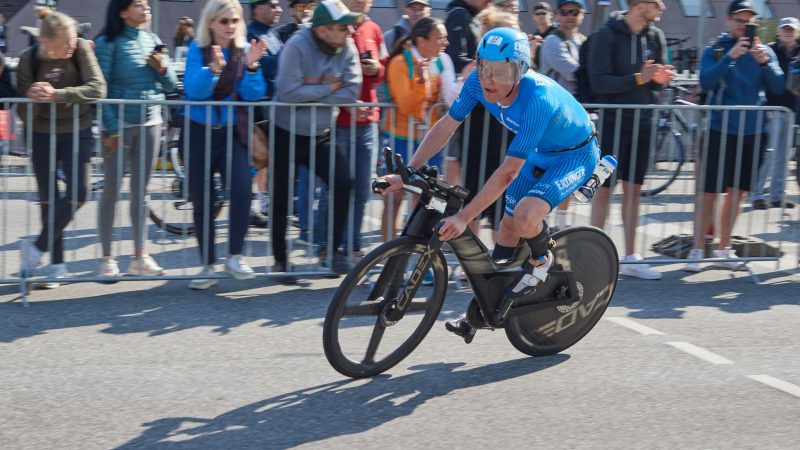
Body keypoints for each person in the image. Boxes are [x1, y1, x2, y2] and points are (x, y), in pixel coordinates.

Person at [379, 27, 601, 342]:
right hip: (541, 153)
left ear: (520, 71)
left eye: (500, 72)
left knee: (525, 216)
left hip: (574, 156)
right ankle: (492, 301)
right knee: (507, 226)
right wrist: (405, 174)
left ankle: (541, 259)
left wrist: (463, 217)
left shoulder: (537, 98)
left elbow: (509, 172)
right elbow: (446, 127)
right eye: (484, 67)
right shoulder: (476, 83)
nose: (489, 80)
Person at [685, 0, 784, 272]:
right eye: (739, 21)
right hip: (719, 128)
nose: (744, 26)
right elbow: (706, 81)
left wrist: (765, 63)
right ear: (728, 21)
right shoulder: (715, 49)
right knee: (708, 193)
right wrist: (731, 57)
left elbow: (778, 85)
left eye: (748, 21)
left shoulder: (763, 51)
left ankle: (723, 249)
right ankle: (696, 249)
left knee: (737, 193)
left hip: (753, 130)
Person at [271, 0, 361, 281]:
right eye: (342, 26)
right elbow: (287, 93)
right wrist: (328, 88)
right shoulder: (297, 45)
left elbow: (352, 90)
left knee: (344, 183)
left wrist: (313, 93)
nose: (349, 30)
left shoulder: (347, 45)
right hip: (286, 131)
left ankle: (331, 253)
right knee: (282, 198)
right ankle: (280, 261)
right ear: (323, 31)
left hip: (322, 133)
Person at [16, 12, 107, 287]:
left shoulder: (79, 48)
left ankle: (36, 249)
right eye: (65, 42)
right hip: (41, 134)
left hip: (76, 129)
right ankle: (57, 265)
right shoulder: (28, 59)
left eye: (73, 40)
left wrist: (59, 94)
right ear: (46, 41)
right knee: (49, 200)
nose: (72, 45)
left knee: (79, 194)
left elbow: (98, 88)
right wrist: (34, 99)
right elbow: (22, 113)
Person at [181, 0, 267, 289]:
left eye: (234, 20)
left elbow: (254, 95)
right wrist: (213, 71)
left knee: (242, 189)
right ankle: (207, 265)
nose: (230, 26)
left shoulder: (243, 51)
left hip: (232, 132)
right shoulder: (197, 49)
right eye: (223, 21)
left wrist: (253, 67)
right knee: (203, 200)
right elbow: (194, 90)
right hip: (200, 132)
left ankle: (234, 256)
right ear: (210, 23)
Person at [588, 0, 675, 280]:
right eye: (657, 2)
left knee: (634, 190)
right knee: (604, 189)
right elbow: (599, 83)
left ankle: (631, 256)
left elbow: (656, 79)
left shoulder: (656, 36)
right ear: (639, 5)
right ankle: (594, 256)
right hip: (613, 123)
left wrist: (661, 80)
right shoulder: (605, 35)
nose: (662, 6)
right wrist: (638, 78)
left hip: (644, 121)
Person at [94, 0, 179, 279]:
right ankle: (107, 258)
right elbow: (100, 89)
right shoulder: (108, 42)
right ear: (122, 11)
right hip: (119, 124)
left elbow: (169, 86)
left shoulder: (153, 39)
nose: (146, 8)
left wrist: (162, 69)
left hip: (151, 121)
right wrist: (111, 128)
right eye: (139, 4)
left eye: (146, 4)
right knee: (111, 191)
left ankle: (139, 256)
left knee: (141, 193)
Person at [381, 17, 454, 241]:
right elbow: (408, 105)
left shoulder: (443, 60)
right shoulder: (400, 63)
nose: (446, 43)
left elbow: (451, 98)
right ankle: (389, 257)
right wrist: (422, 82)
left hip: (429, 143)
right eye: (440, 38)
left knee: (428, 204)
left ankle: (421, 254)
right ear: (421, 40)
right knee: (394, 200)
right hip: (401, 140)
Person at [538, 0, 586, 231]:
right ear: (556, 15)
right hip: (552, 117)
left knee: (568, 170)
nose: (569, 16)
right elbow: (575, 72)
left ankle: (561, 224)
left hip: (572, 117)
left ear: (582, 14)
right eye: (565, 12)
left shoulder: (582, 41)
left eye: (574, 12)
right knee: (547, 172)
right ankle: (540, 221)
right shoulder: (552, 41)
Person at [751, 16, 799, 210]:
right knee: (768, 153)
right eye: (784, 29)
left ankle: (777, 195)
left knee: (784, 154)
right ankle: (757, 193)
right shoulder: (769, 49)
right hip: (773, 106)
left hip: (793, 108)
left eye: (791, 29)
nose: (787, 32)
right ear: (779, 31)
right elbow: (761, 76)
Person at [246, 0, 284, 228]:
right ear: (257, 8)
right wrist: (290, 55)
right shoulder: (251, 33)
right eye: (273, 5)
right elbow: (267, 65)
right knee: (261, 157)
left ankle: (262, 203)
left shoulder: (272, 33)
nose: (278, 9)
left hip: (273, 103)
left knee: (266, 159)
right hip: (260, 103)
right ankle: (256, 204)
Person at [530, 1, 557, 70]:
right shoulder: (534, 36)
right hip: (541, 74)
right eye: (538, 14)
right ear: (534, 17)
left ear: (551, 15)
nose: (541, 16)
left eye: (544, 13)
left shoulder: (558, 33)